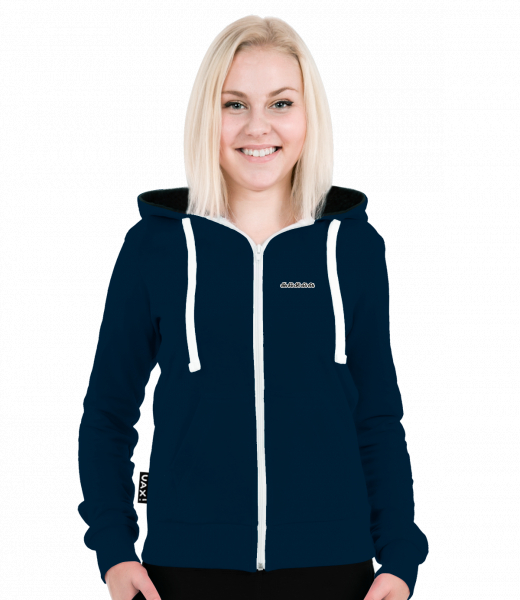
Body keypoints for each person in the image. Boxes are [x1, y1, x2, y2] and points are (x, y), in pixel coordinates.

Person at [77, 15, 428, 600]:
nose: (258, 126)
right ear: (207, 116)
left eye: (281, 103)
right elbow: (109, 412)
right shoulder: (156, 247)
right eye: (234, 104)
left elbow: (377, 416)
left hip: (334, 569)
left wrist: (399, 556)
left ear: (308, 117)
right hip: (183, 571)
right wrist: (115, 548)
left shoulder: (353, 248)